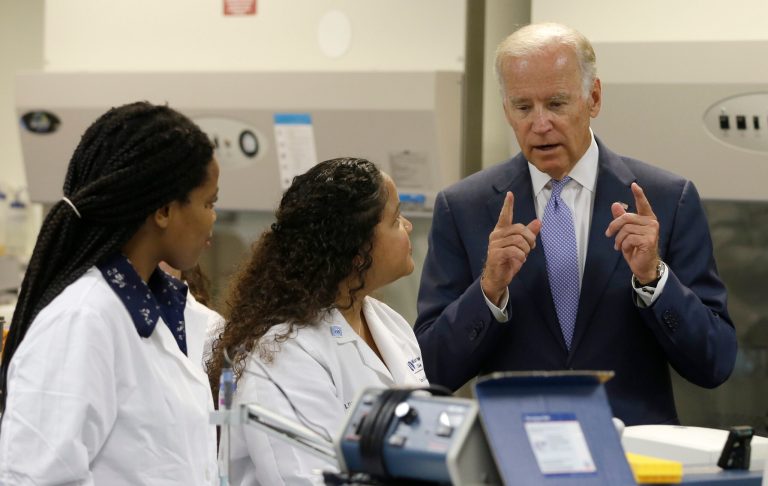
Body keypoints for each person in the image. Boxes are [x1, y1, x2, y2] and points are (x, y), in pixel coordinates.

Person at [414, 22, 737, 426]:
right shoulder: (463, 208)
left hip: (631, 452)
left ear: (593, 98)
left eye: (556, 103)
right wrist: (488, 291)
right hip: (515, 449)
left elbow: (715, 362)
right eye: (523, 107)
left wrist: (655, 280)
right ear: (506, 111)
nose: (540, 124)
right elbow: (430, 372)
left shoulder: (668, 200)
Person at [0, 101, 220, 484]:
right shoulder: (82, 320)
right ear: (164, 211)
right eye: (209, 203)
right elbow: (34, 477)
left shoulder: (153, 308)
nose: (213, 218)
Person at [206, 157, 427, 485]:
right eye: (395, 220)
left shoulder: (390, 324)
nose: (408, 226)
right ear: (357, 251)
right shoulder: (282, 353)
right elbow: (306, 478)